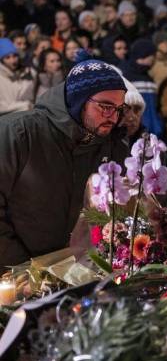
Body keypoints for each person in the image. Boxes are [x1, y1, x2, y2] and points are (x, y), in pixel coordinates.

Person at [0, 56, 129, 265]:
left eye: (119, 108)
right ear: (79, 101)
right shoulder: (18, 133)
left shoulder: (110, 145)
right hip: (15, 275)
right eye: (105, 106)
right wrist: (20, 266)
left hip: (77, 274)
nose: (113, 117)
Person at [122, 38, 162, 138]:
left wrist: (159, 125)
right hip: (135, 129)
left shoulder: (150, 79)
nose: (154, 59)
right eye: (152, 55)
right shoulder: (127, 77)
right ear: (145, 55)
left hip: (154, 130)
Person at [0, 38, 35, 115]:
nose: (13, 61)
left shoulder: (29, 73)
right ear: (1, 60)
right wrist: (24, 106)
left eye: (15, 56)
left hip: (28, 118)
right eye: (7, 57)